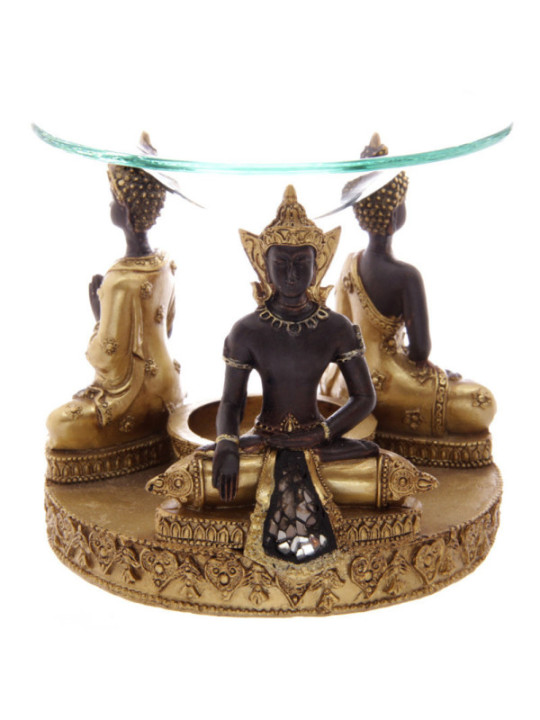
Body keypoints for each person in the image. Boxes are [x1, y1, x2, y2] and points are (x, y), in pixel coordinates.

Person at [148, 186, 435, 565]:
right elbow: (232, 403)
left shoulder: (337, 328)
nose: (292, 274)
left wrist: (322, 433)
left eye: (302, 263)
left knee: (386, 468)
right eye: (280, 263)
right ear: (262, 266)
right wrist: (229, 444)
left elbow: (364, 398)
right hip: (264, 441)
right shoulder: (247, 331)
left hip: (321, 443)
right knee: (197, 471)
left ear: (319, 265)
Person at [322, 134, 496, 453]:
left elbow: (336, 331)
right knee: (480, 401)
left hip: (344, 383)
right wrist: (437, 375)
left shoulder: (349, 263)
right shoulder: (405, 276)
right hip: (390, 384)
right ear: (393, 215)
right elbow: (419, 351)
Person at [46, 147, 183, 482]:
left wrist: (99, 317)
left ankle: (137, 435)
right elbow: (166, 328)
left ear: (126, 211)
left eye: (113, 200)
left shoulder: (120, 281)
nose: (110, 206)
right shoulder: (165, 264)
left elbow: (109, 357)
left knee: (58, 423)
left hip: (131, 401)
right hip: (170, 391)